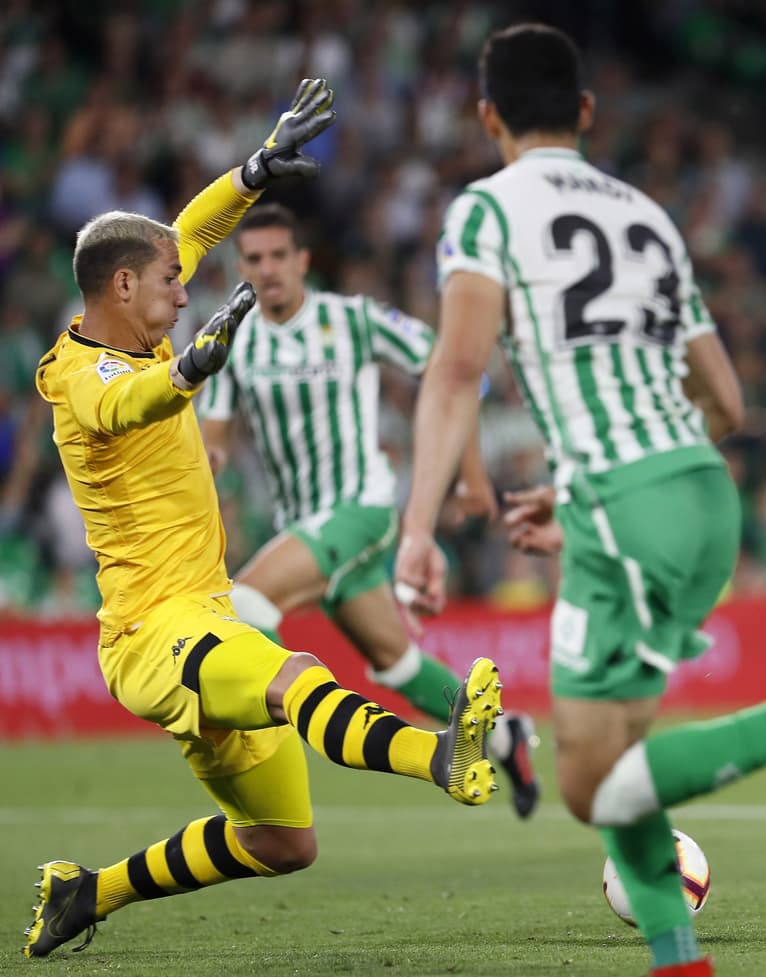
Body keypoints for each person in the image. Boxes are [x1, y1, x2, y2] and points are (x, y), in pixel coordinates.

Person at [392, 25, 766, 977]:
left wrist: (417, 528)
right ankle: (679, 959)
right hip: (695, 495)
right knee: (617, 772)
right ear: (589, 114)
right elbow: (725, 402)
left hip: (623, 507)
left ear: (488, 117)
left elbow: (456, 371)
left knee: (589, 785)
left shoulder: (484, 212)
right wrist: (587, 487)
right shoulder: (646, 217)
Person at [24, 80, 504, 960]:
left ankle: (87, 891)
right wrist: (190, 373)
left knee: (284, 842)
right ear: (122, 286)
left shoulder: (140, 322)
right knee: (297, 671)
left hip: (200, 612)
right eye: (171, 281)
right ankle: (437, 755)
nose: (189, 284)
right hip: (150, 631)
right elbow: (121, 409)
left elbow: (190, 232)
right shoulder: (77, 372)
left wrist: (251, 171)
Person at [198, 202, 540, 819]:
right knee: (397, 662)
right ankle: (509, 734)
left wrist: (469, 474)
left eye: (280, 255)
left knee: (244, 604)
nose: (269, 269)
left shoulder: (351, 319)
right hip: (303, 529)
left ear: (303, 260)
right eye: (254, 259)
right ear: (240, 267)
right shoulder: (233, 339)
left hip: (362, 509)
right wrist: (204, 469)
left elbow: (450, 368)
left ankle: (278, 743)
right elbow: (214, 439)